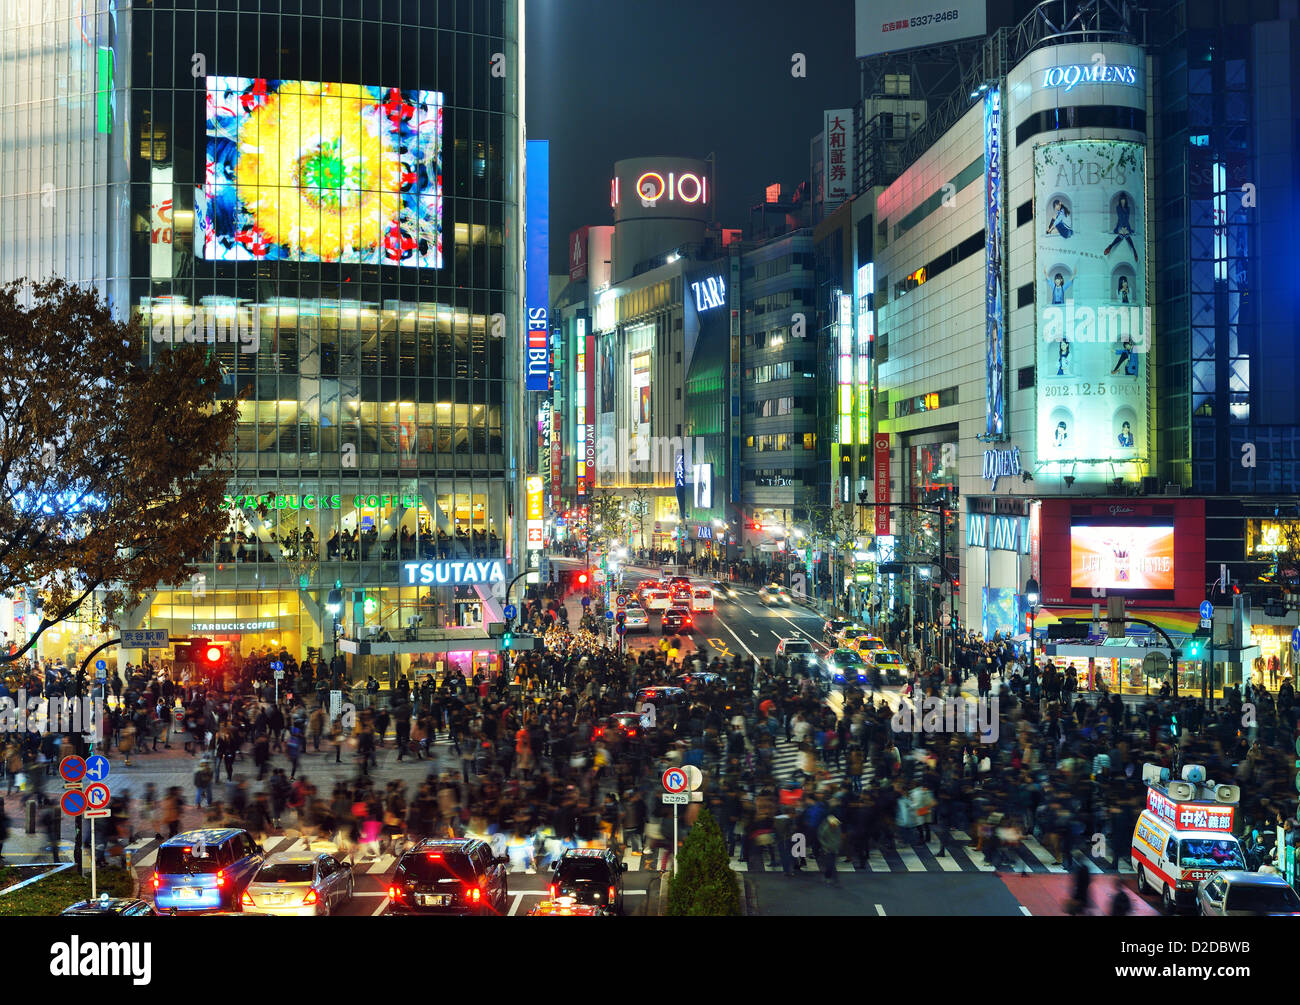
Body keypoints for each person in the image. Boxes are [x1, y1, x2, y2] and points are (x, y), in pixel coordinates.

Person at [1104, 193, 1139, 260]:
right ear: (1120, 201)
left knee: (1125, 235)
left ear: (1125, 201)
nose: (1123, 202)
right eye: (1121, 201)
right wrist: (1120, 227)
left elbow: (1127, 219)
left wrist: (1127, 228)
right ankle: (1110, 247)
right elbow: (1120, 218)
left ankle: (1134, 251)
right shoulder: (1118, 208)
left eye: (1124, 201)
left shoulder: (1128, 208)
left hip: (1126, 226)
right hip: (1121, 225)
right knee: (1123, 235)